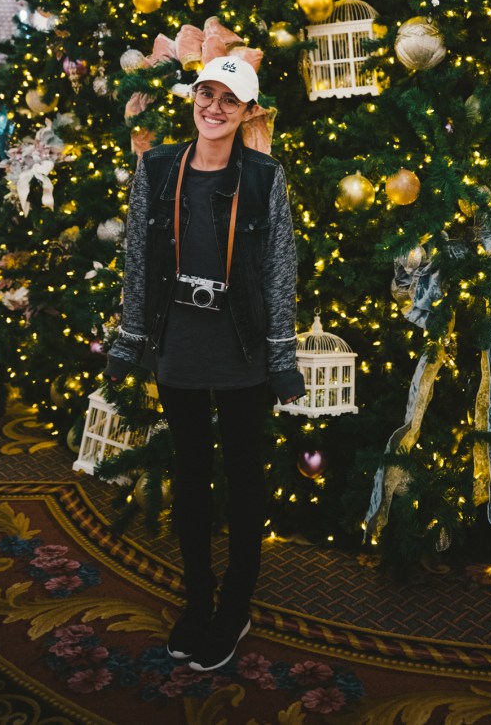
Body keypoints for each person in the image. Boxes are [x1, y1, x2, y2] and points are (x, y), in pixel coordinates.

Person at [105, 55, 304, 672]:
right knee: (191, 476)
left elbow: (279, 271)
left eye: (229, 99)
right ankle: (198, 599)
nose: (214, 108)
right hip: (180, 348)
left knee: (244, 480)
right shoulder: (159, 167)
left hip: (241, 350)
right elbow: (138, 257)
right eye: (205, 94)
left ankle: (235, 605)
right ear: (193, 100)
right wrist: (129, 339)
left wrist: (282, 357)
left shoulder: (266, 177)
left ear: (248, 113)